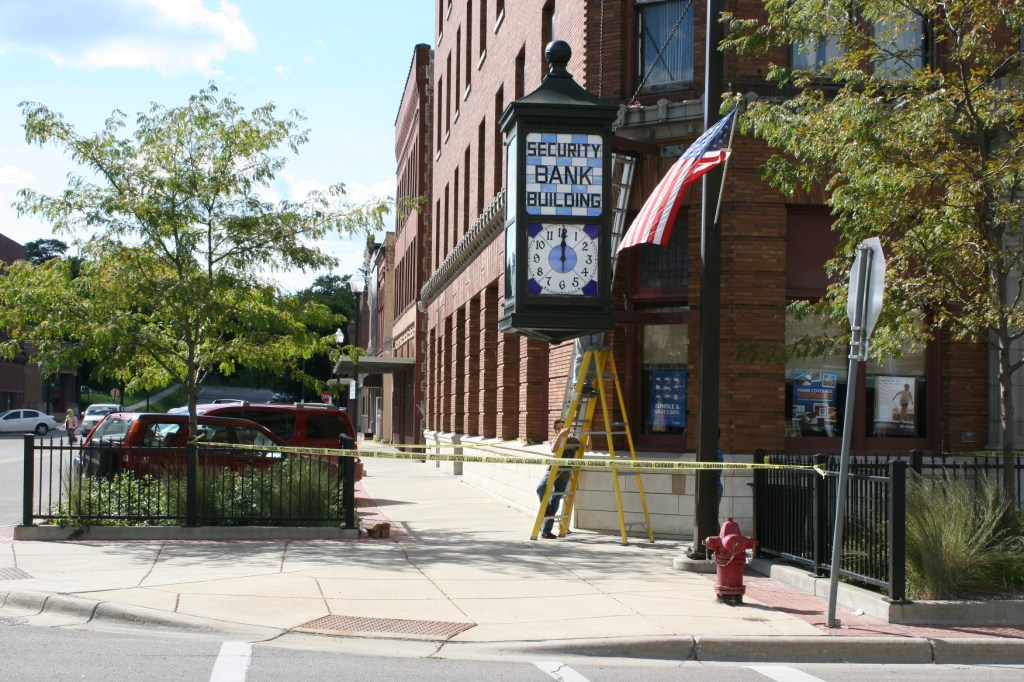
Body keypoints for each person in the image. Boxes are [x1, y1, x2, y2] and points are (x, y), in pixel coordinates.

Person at [536, 418, 581, 539]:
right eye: (558, 428)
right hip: (551, 471)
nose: (561, 430)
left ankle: (546, 531)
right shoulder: (556, 439)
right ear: (556, 431)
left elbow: (588, 448)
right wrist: (561, 435)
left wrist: (589, 434)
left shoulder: (573, 440)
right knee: (540, 488)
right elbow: (553, 450)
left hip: (564, 475)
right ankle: (546, 508)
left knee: (555, 501)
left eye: (563, 427)